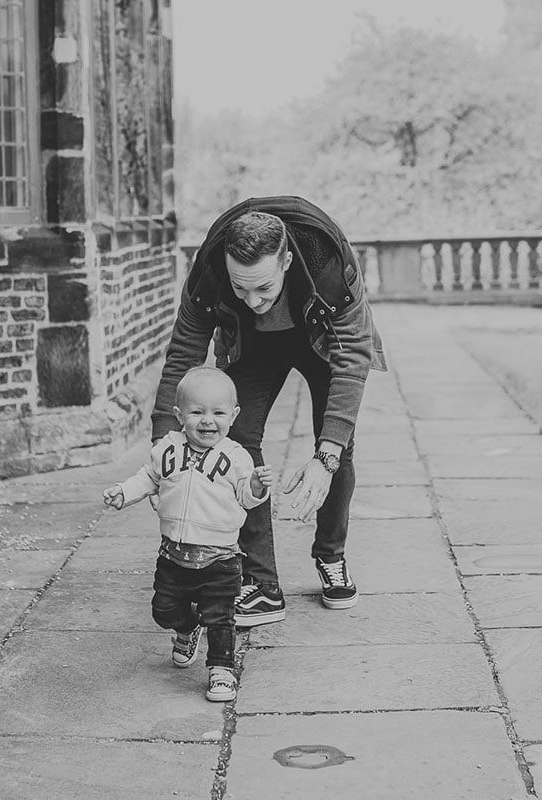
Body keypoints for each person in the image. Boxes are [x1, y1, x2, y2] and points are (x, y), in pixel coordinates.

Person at [153, 196, 386, 628]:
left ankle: (331, 557)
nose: (253, 299)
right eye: (240, 288)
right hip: (255, 347)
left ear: (286, 263)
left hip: (321, 338)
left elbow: (353, 354)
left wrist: (326, 454)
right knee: (236, 440)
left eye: (263, 287)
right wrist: (163, 439)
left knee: (337, 443)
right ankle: (262, 585)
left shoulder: (329, 267)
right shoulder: (208, 273)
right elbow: (184, 351)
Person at [103, 366, 273, 702]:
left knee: (221, 618)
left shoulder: (238, 458)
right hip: (173, 554)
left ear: (233, 415)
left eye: (218, 413)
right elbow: (148, 477)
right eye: (197, 412)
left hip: (220, 558)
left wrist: (254, 487)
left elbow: (245, 496)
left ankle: (222, 670)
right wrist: (124, 491)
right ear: (180, 415)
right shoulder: (168, 448)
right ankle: (186, 626)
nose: (208, 421)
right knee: (163, 609)